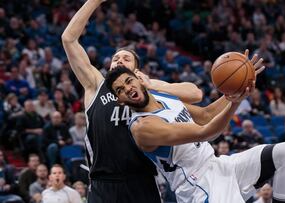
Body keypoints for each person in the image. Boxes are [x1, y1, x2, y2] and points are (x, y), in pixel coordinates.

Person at [61, 0, 204, 202]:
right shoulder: (95, 84)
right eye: (116, 58)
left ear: (137, 72)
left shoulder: (148, 90)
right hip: (104, 183)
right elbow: (68, 39)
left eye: (126, 59)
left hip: (143, 181)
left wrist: (154, 85)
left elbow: (195, 95)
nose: (119, 60)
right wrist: (94, 2)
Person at [105, 66, 285, 203]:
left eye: (129, 81)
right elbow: (206, 132)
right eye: (120, 90)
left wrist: (239, 85)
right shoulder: (142, 127)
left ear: (139, 80)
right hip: (198, 186)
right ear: (120, 100)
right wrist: (236, 102)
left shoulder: (162, 96)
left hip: (220, 166)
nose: (128, 89)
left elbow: (206, 115)